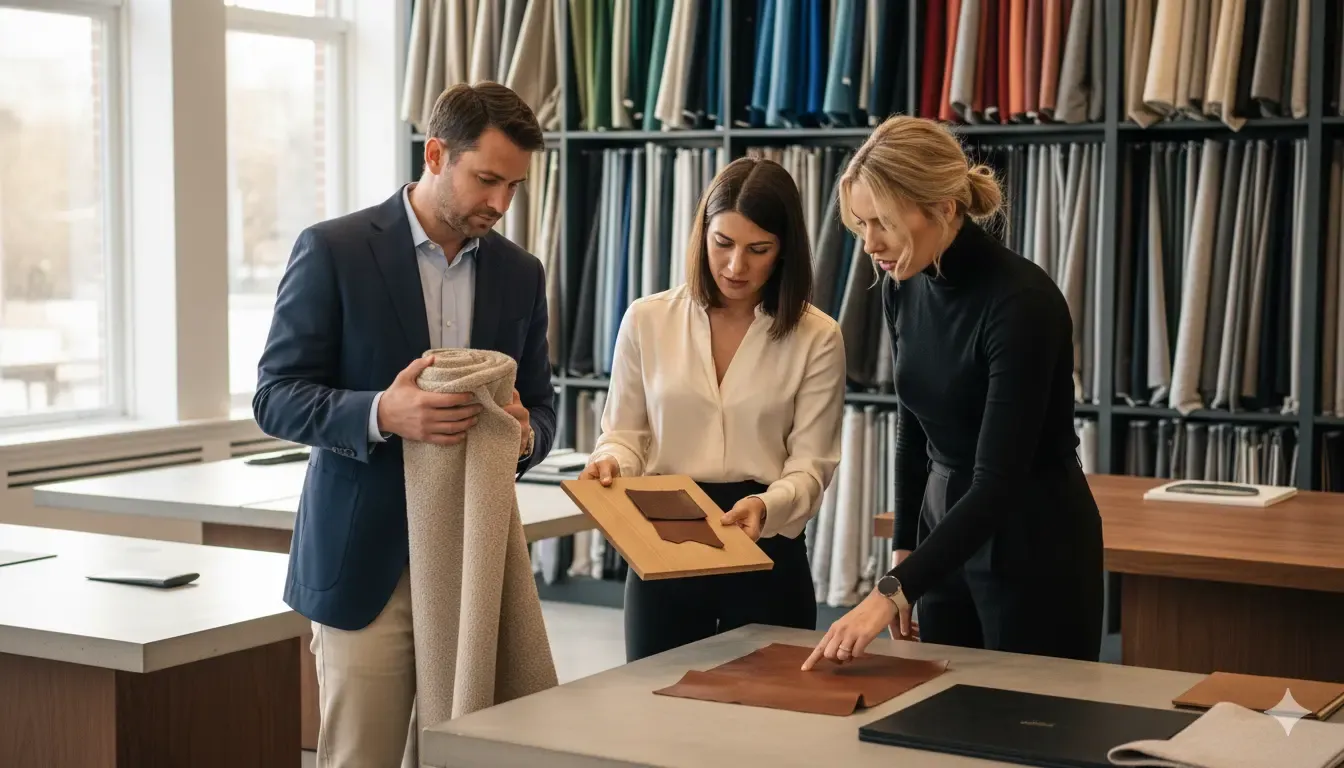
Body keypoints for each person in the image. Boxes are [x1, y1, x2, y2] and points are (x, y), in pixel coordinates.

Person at [252, 82, 555, 767]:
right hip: (366, 566)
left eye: (514, 186)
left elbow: (543, 405)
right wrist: (382, 413)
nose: (501, 204)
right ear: (436, 153)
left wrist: (525, 431)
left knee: (473, 755)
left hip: (477, 560)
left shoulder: (521, 274)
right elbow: (275, 397)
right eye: (486, 180)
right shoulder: (333, 250)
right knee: (361, 757)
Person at [803, 116, 1104, 671]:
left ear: (941, 207)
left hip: (1032, 541)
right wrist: (904, 551)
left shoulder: (1022, 303)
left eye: (883, 223)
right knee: (942, 713)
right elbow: (913, 428)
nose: (870, 245)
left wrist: (889, 591)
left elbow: (997, 481)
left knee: (1033, 729)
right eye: (861, 225)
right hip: (943, 533)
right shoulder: (904, 285)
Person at [579, 157, 847, 663]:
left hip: (767, 546)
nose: (735, 266)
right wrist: (612, 463)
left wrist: (768, 506)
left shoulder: (818, 336)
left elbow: (812, 465)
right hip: (664, 547)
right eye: (722, 243)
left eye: (758, 249)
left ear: (785, 250)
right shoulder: (647, 319)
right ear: (702, 234)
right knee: (656, 721)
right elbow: (625, 434)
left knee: (765, 725)